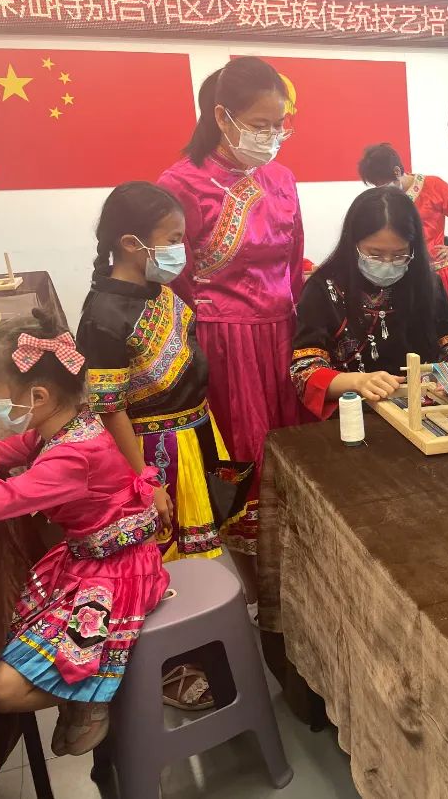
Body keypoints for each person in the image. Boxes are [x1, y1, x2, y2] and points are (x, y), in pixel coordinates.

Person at [77, 181, 245, 711]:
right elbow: (110, 408)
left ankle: (205, 645)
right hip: (153, 452)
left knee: (200, 554)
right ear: (132, 243)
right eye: (172, 239)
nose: (181, 249)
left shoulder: (161, 293)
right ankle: (172, 665)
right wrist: (142, 481)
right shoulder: (104, 314)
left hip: (195, 434)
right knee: (162, 560)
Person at [0, 312, 168, 756]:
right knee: (13, 635)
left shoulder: (71, 457)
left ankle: (100, 692)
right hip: (89, 557)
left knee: (1, 691)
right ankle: (88, 686)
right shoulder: (62, 426)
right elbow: (6, 449)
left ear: (37, 396)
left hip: (118, 572)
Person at [158, 56, 303, 604]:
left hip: (283, 332)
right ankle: (257, 591)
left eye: (280, 124)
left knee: (293, 454)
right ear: (223, 117)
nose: (273, 135)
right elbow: (174, 280)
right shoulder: (180, 184)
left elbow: (293, 261)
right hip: (223, 343)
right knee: (244, 460)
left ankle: (301, 576)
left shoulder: (282, 178)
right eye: (261, 124)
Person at [291, 186, 448, 418]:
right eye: (375, 254)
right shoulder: (323, 288)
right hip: (356, 415)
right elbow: (305, 369)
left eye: (399, 255)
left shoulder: (426, 283)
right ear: (352, 243)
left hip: (426, 410)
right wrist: (357, 382)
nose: (387, 263)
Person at [358, 143, 448, 307]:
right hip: (399, 273)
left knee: (441, 319)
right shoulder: (385, 200)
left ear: (396, 171)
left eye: (383, 184)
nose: (381, 190)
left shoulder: (434, 186)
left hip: (435, 273)